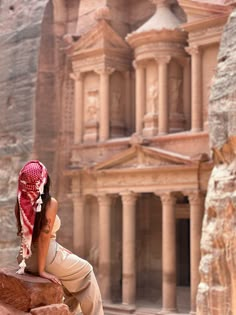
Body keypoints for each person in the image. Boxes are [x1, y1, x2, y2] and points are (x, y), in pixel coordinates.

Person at [15, 160, 104, 315]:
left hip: (24, 257)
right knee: (86, 272)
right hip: (46, 258)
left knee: (71, 282)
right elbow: (44, 237)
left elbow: (30, 236)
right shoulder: (49, 203)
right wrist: (42, 270)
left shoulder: (21, 201)